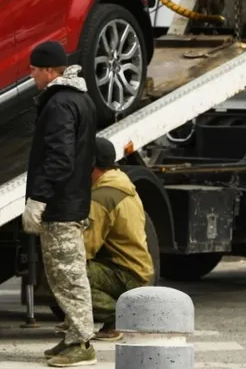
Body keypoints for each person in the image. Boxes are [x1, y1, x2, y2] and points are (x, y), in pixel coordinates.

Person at [20, 40, 98, 367]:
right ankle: (70, 336)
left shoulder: (59, 105)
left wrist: (39, 197)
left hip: (60, 205)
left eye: (35, 70)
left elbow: (59, 158)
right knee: (62, 273)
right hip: (72, 200)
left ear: (51, 70)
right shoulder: (80, 100)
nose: (32, 75)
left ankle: (81, 343)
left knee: (67, 275)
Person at [83, 137, 154, 341]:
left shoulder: (102, 196)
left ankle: (120, 318)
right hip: (138, 272)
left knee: (65, 272)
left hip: (126, 275)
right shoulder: (122, 184)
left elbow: (86, 248)